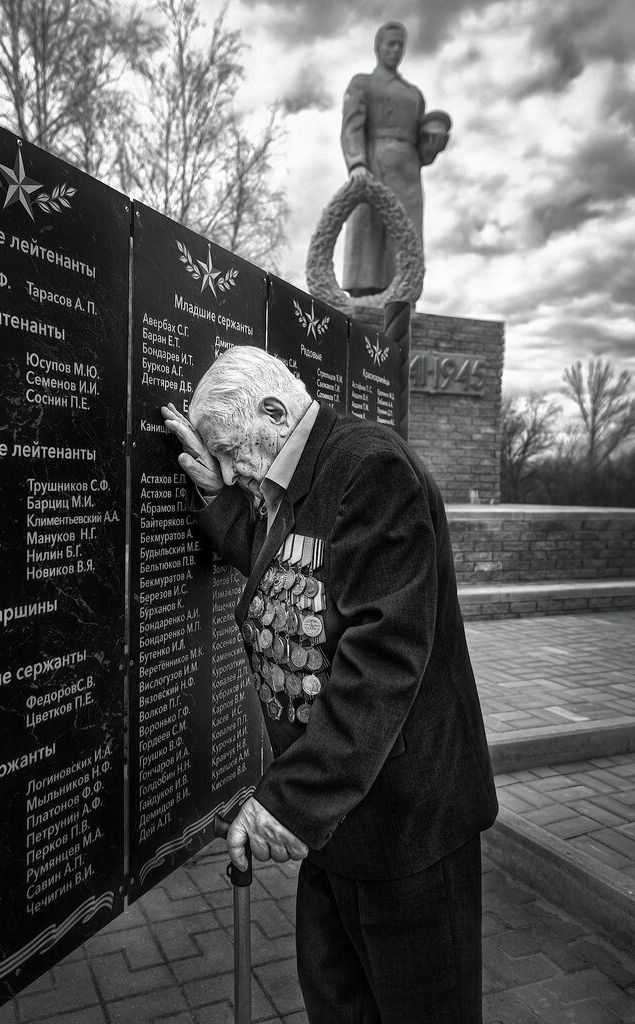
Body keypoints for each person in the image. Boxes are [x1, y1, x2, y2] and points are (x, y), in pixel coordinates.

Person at [161, 346, 498, 1024]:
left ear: (276, 411)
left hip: (407, 825)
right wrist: (215, 496)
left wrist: (288, 803)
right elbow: (290, 575)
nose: (231, 471)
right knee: (338, 1003)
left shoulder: (370, 469)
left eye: (231, 452)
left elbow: (383, 662)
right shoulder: (300, 477)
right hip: (341, 818)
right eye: (220, 459)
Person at [341, 21, 450, 296]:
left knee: (406, 239)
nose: (395, 49)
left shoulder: (415, 95)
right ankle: (364, 295)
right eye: (390, 43)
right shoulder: (362, 83)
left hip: (409, 173)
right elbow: (352, 128)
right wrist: (357, 164)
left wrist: (432, 147)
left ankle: (404, 296)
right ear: (378, 47)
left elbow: (421, 149)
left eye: (400, 45)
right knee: (370, 237)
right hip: (373, 166)